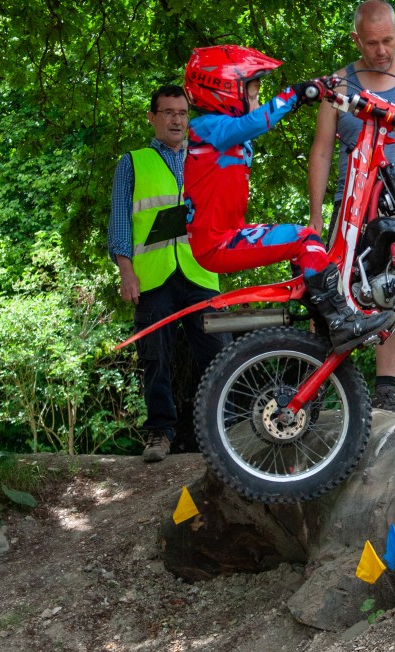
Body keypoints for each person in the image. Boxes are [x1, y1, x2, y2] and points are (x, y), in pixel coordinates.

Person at [182, 45, 392, 356]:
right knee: (305, 240)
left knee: (304, 248)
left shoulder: (220, 132)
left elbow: (254, 123)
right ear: (223, 92)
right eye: (253, 94)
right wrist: (296, 93)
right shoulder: (208, 129)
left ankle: (321, 314)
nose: (257, 101)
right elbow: (256, 122)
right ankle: (341, 322)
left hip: (227, 236)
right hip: (218, 244)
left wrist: (321, 90)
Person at [308, 0, 395, 417]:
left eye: (388, 40)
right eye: (372, 43)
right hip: (353, 209)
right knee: (334, 295)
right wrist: (316, 215)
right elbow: (321, 151)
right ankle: (315, 394)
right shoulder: (339, 84)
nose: (382, 50)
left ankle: (386, 393)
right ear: (357, 40)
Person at [107, 84, 228, 463]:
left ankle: (227, 429)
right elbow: (120, 222)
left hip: (201, 271)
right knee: (155, 357)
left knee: (219, 353)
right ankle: (160, 432)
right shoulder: (133, 162)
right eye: (168, 113)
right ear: (152, 117)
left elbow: (242, 160)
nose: (177, 120)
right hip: (153, 276)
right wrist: (126, 271)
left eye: (182, 113)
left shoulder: (206, 157)